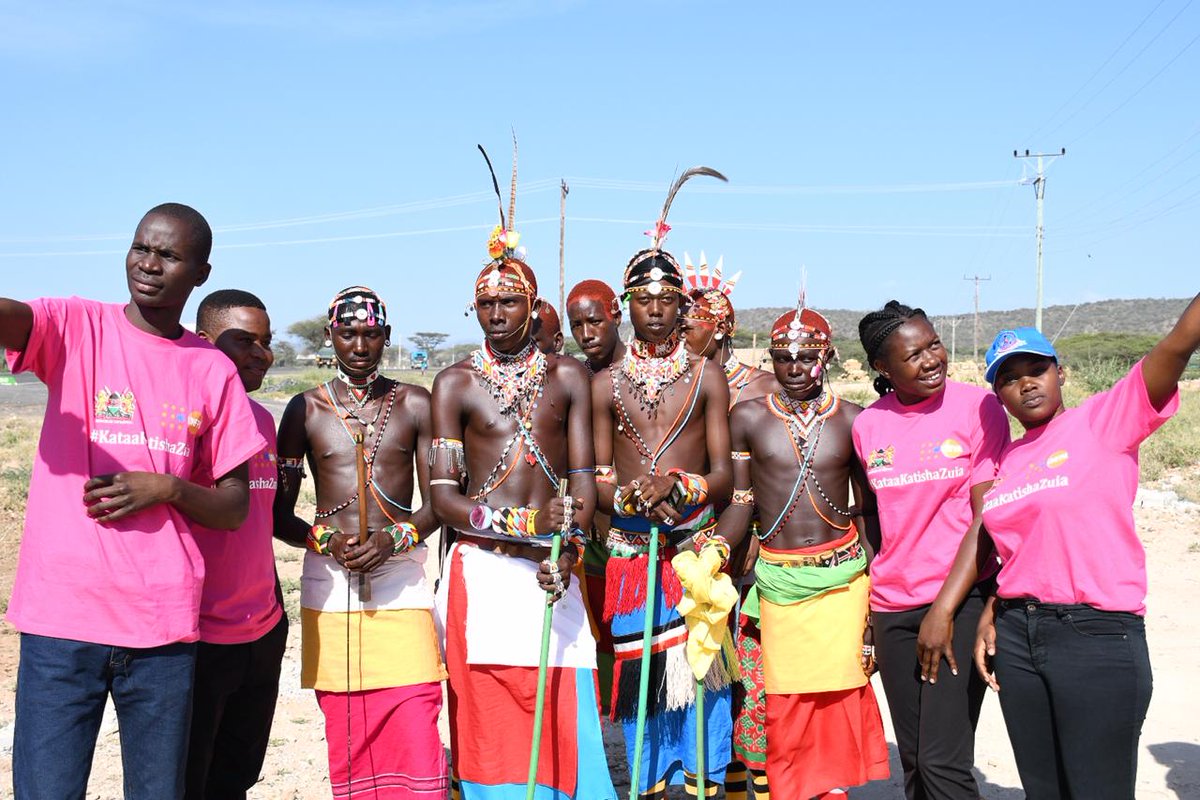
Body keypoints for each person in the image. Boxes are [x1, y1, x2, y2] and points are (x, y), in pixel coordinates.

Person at [0, 204, 264, 799]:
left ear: (200, 272)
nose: (149, 264)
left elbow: (234, 508)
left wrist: (166, 487)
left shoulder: (211, 369)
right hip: (61, 622)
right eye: (141, 248)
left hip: (162, 631)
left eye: (169, 255)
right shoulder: (76, 327)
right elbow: (10, 317)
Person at [921, 301, 1200, 800]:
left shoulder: (1105, 420)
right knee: (1043, 790)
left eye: (1037, 370)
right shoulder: (1008, 457)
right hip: (1017, 638)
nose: (1026, 383)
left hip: (1095, 636)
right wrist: (992, 607)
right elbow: (1019, 548)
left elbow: (1178, 342)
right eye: (1009, 379)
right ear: (999, 395)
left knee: (1097, 789)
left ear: (1061, 373)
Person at [429, 147, 615, 800]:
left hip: (551, 568)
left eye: (511, 302)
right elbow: (444, 497)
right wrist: (522, 522)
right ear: (474, 311)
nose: (499, 313)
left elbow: (585, 477)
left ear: (532, 306)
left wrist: (567, 548)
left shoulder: (569, 378)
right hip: (480, 568)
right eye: (488, 305)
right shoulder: (452, 384)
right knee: (486, 723)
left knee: (565, 715)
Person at [591, 166, 734, 798]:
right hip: (629, 557)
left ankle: (703, 784)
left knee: (702, 679)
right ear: (628, 305)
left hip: (693, 555)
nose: (655, 310)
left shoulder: (707, 376)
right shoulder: (604, 384)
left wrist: (679, 487)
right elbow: (595, 478)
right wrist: (627, 496)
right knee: (644, 685)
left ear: (683, 304)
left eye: (667, 299)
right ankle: (650, 786)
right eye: (643, 300)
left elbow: (725, 475)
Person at [275, 286, 447, 799]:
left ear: (386, 337)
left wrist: (395, 539)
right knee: (348, 721)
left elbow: (441, 499)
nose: (359, 344)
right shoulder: (304, 409)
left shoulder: (416, 402)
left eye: (371, 333)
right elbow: (276, 514)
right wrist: (326, 542)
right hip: (330, 582)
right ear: (331, 336)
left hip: (402, 578)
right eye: (348, 333)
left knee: (415, 705)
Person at [713, 301, 889, 800]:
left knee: (837, 702)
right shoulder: (747, 417)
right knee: (785, 703)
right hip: (779, 580)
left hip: (844, 583)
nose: (794, 368)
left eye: (806, 357)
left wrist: (875, 599)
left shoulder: (854, 421)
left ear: (827, 357)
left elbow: (870, 511)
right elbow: (742, 501)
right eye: (782, 358)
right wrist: (715, 550)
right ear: (770, 359)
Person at [850, 300, 1010, 800]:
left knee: (945, 762)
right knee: (916, 760)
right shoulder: (868, 426)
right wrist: (873, 604)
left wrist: (943, 609)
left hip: (958, 602)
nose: (931, 359)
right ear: (883, 367)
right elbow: (872, 517)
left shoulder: (978, 407)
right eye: (914, 353)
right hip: (894, 606)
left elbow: (985, 517)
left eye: (934, 344)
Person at [183, 289, 288, 799]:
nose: (260, 354)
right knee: (188, 779)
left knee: (236, 777)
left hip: (262, 631)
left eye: (265, 342)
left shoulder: (263, 421)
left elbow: (267, 522)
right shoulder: (182, 419)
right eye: (243, 340)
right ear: (203, 342)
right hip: (198, 637)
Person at [565, 278, 626, 716]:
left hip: (636, 530)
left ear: (616, 317)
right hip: (589, 533)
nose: (586, 334)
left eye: (594, 322)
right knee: (591, 638)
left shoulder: (641, 375)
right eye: (577, 325)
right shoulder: (573, 376)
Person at [679, 252, 777, 407]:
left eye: (685, 330)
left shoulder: (767, 388)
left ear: (720, 329)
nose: (679, 339)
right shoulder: (676, 387)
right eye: (676, 332)